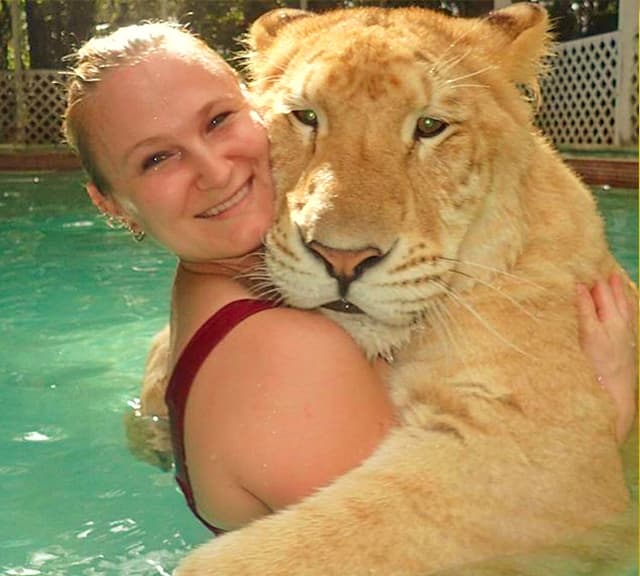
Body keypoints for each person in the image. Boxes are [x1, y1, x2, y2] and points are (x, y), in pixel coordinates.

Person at [63, 22, 637, 535]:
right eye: (156, 159)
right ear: (111, 203)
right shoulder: (294, 355)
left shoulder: (203, 300)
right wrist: (601, 422)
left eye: (218, 122)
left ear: (251, 109)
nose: (215, 171)